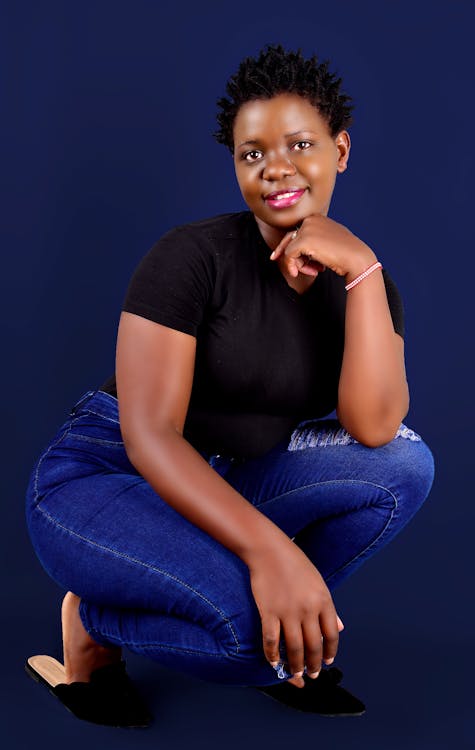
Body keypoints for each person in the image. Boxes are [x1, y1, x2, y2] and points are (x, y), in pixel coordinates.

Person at [24, 44, 435, 726]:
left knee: (406, 464)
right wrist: (274, 551)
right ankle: (95, 624)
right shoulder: (191, 258)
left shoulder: (366, 285)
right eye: (251, 153)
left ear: (341, 149)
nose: (275, 167)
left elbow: (375, 430)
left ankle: (278, 614)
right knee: (254, 648)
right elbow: (149, 436)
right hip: (104, 477)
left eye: (300, 143)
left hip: (222, 482)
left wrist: (361, 270)